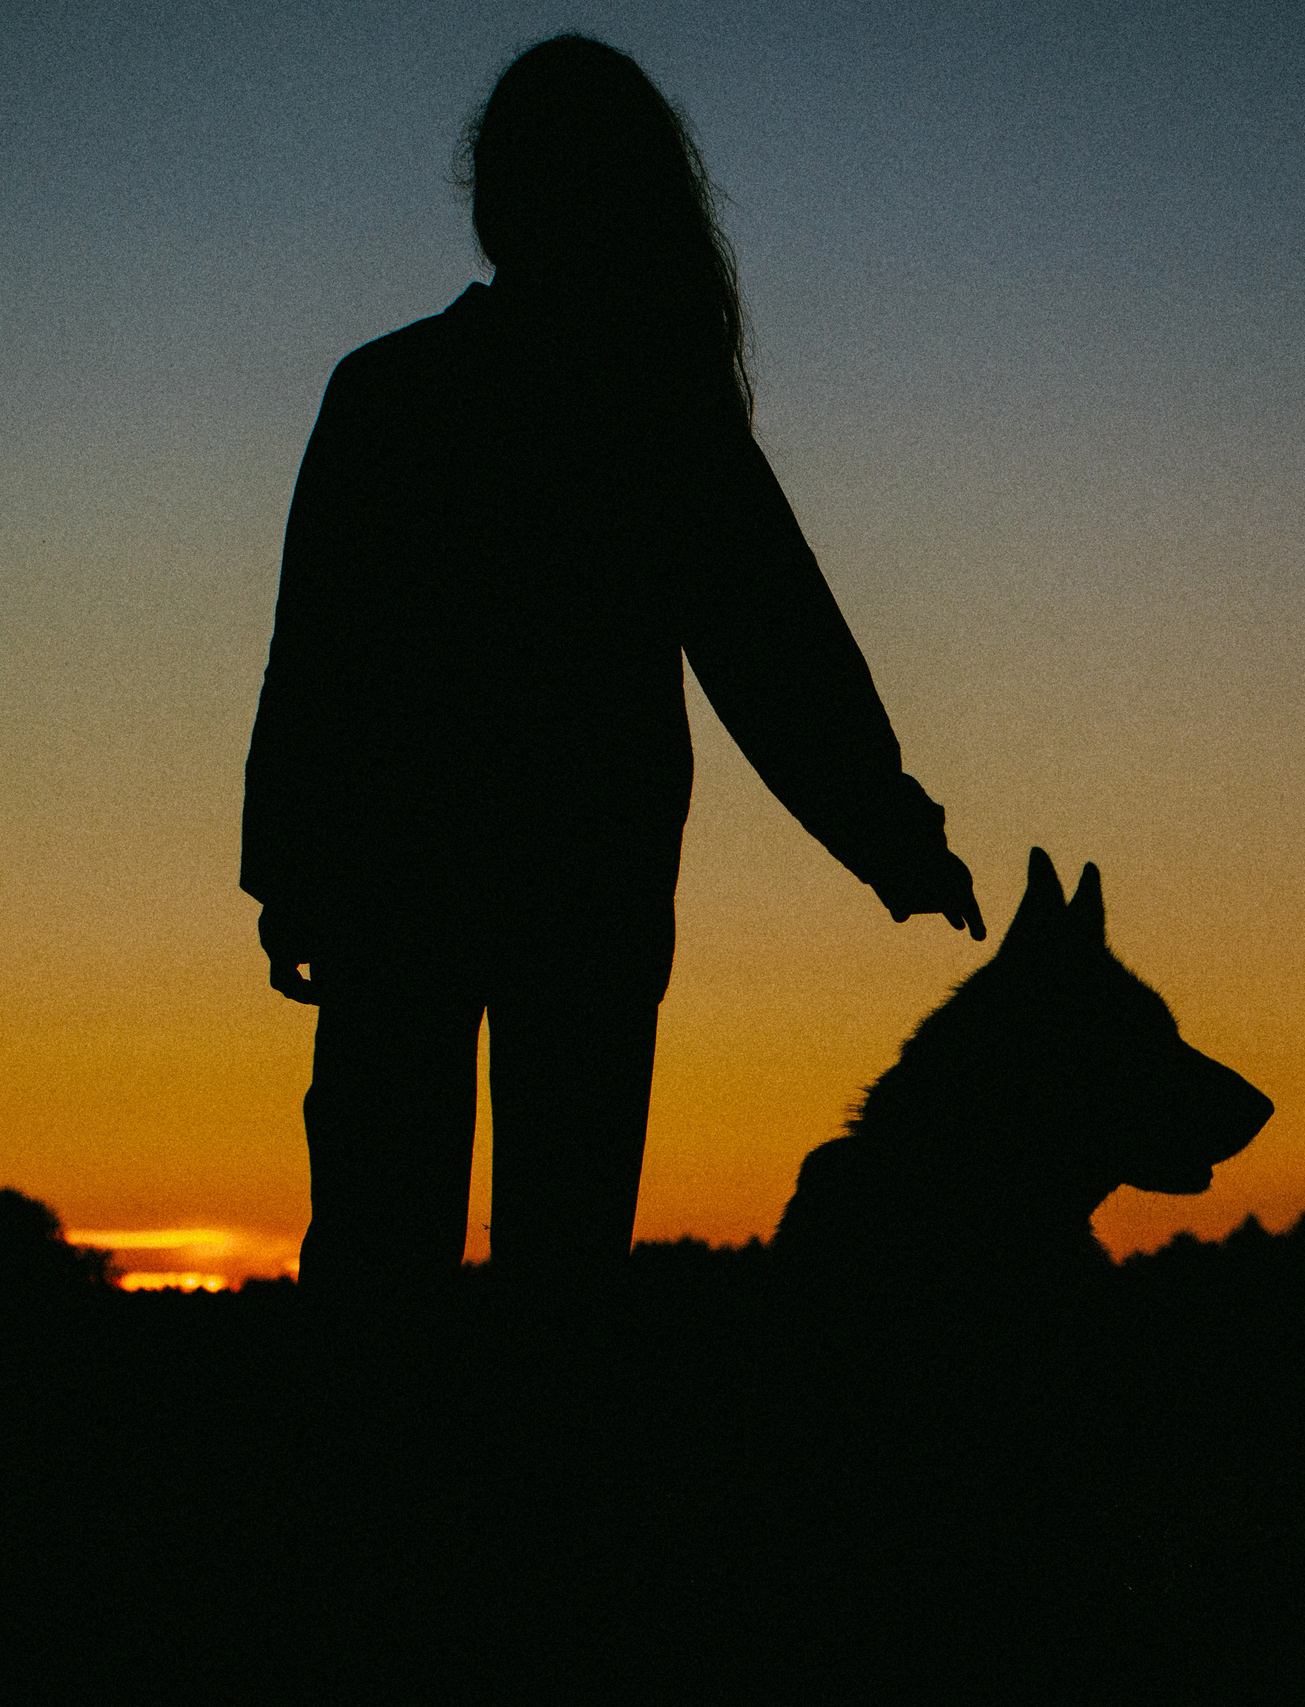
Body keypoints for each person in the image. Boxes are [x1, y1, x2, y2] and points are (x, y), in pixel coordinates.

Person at [242, 35, 982, 1305]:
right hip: (580, 876)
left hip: (407, 879)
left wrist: (291, 873)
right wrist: (889, 830)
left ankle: (372, 1498)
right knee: (557, 1266)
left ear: (495, 193)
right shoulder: (653, 408)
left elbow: (314, 659)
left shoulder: (392, 390)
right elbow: (773, 647)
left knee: (380, 1262)